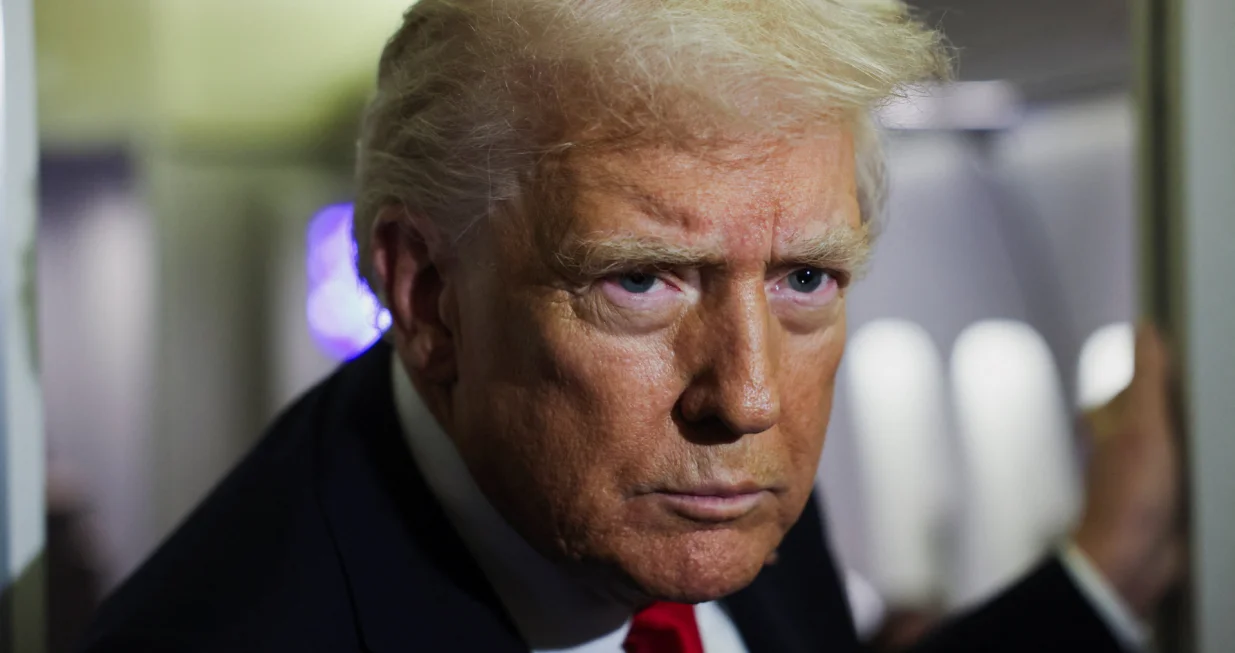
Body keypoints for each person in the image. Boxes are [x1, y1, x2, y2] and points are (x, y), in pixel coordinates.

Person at [79, 1, 1181, 651]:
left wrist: (1096, 569)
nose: (747, 394)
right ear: (424, 296)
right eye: (641, 282)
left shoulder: (688, 479)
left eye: (805, 274)